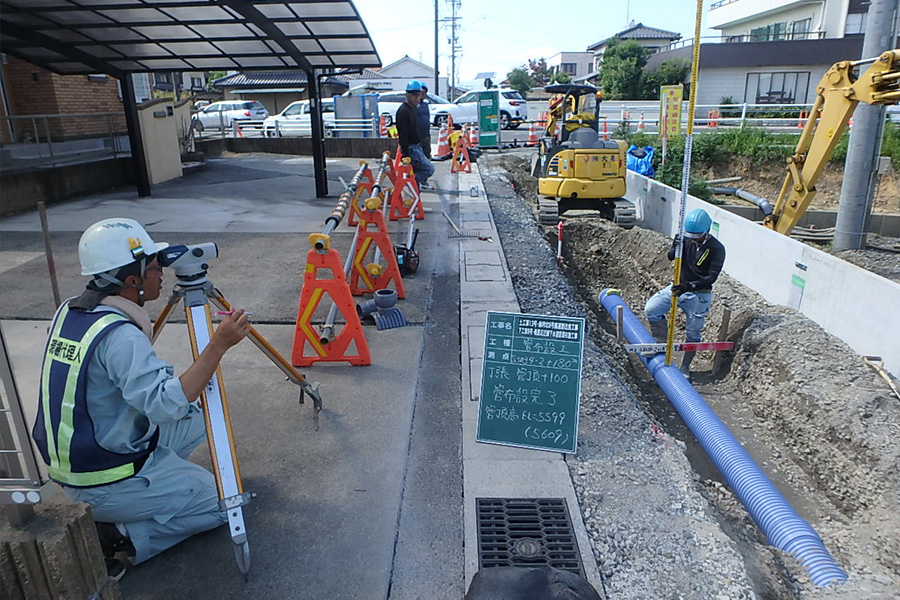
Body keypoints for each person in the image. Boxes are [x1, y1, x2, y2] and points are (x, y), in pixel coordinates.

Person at [31, 218, 250, 578]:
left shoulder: (70, 311)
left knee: (198, 417)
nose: (162, 272)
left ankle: (153, 485)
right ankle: (117, 533)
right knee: (225, 502)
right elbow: (165, 403)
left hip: (81, 455)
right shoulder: (120, 337)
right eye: (153, 266)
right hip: (101, 480)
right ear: (131, 280)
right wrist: (219, 343)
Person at [644, 208, 726, 380]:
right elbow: (670, 257)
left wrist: (689, 286)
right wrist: (675, 247)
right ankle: (660, 345)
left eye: (697, 235)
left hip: (698, 295)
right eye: (691, 235)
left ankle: (685, 367)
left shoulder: (717, 249)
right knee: (652, 309)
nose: (693, 238)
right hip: (677, 287)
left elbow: (711, 277)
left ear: (706, 231)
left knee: (693, 333)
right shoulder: (686, 239)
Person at [395, 80, 435, 190]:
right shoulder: (403, 111)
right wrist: (405, 154)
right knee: (429, 169)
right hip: (411, 148)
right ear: (407, 95)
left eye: (419, 95)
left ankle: (414, 195)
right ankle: (410, 182)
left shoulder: (413, 108)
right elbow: (402, 134)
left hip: (418, 145)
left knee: (418, 170)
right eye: (414, 95)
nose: (417, 98)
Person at [417, 83, 432, 159]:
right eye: (421, 91)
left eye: (424, 92)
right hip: (416, 136)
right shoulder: (413, 105)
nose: (423, 94)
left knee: (427, 156)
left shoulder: (425, 105)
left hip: (426, 135)